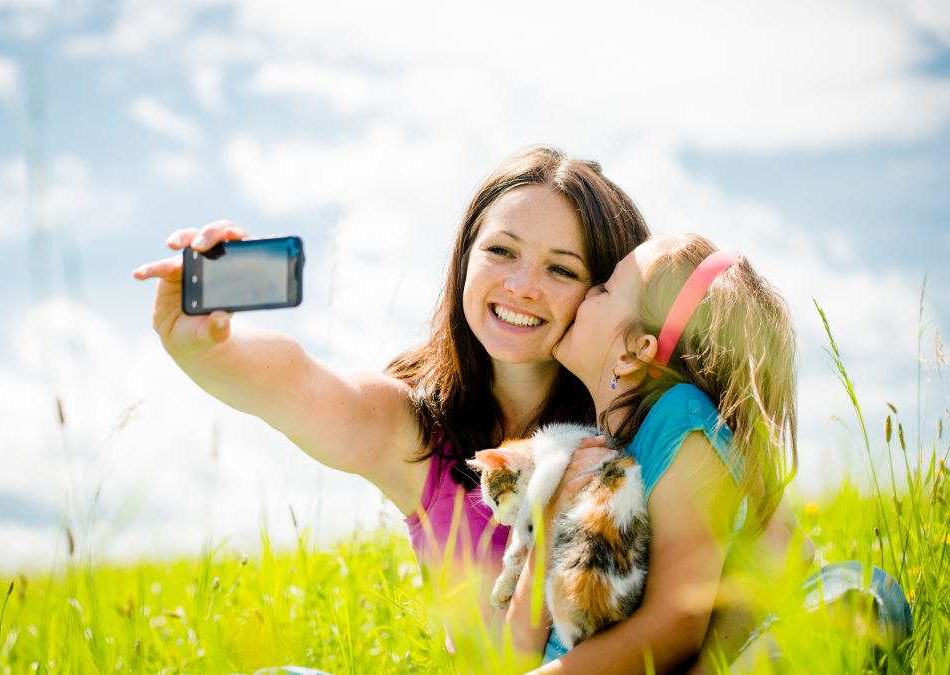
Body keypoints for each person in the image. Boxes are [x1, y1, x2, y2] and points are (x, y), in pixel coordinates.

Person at [133, 147, 804, 665]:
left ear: (613, 303)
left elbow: (768, 586)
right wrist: (210, 349)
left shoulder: (653, 433)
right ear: (464, 260)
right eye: (501, 251)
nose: (521, 285)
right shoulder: (416, 431)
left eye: (562, 269)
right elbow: (304, 386)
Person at [510, 233, 911, 672]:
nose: (588, 291)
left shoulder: (680, 419)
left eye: (605, 289)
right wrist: (547, 528)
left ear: (634, 353)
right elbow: (511, 649)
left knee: (866, 591)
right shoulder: (592, 446)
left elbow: (676, 624)